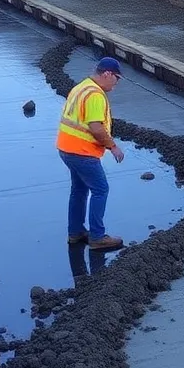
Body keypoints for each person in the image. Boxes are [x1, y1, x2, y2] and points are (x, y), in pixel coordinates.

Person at [55, 56, 126, 251]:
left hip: (66, 148)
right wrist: (113, 146)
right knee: (100, 189)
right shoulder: (95, 94)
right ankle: (97, 236)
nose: (116, 84)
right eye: (116, 78)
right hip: (83, 152)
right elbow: (96, 127)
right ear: (107, 74)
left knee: (79, 190)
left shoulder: (82, 87)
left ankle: (75, 232)